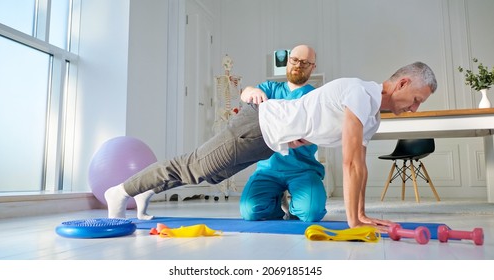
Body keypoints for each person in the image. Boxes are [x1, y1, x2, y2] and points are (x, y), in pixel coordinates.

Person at [105, 61, 437, 230]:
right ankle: (120, 191)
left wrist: (361, 213)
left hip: (268, 140)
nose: (414, 108)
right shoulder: (360, 94)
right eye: (416, 99)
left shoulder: (373, 116)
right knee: (193, 166)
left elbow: (360, 167)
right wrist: (354, 221)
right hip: (257, 125)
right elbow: (350, 163)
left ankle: (145, 189)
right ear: (403, 83)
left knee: (207, 177)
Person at [239, 44, 326, 222]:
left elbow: (323, 129)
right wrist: (252, 91)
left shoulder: (317, 96)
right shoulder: (270, 89)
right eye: (294, 60)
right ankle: (276, 200)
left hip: (303, 169)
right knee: (250, 211)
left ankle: (294, 208)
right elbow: (246, 94)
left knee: (310, 213)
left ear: (312, 67)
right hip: (269, 168)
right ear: (288, 61)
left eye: (305, 62)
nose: (298, 65)